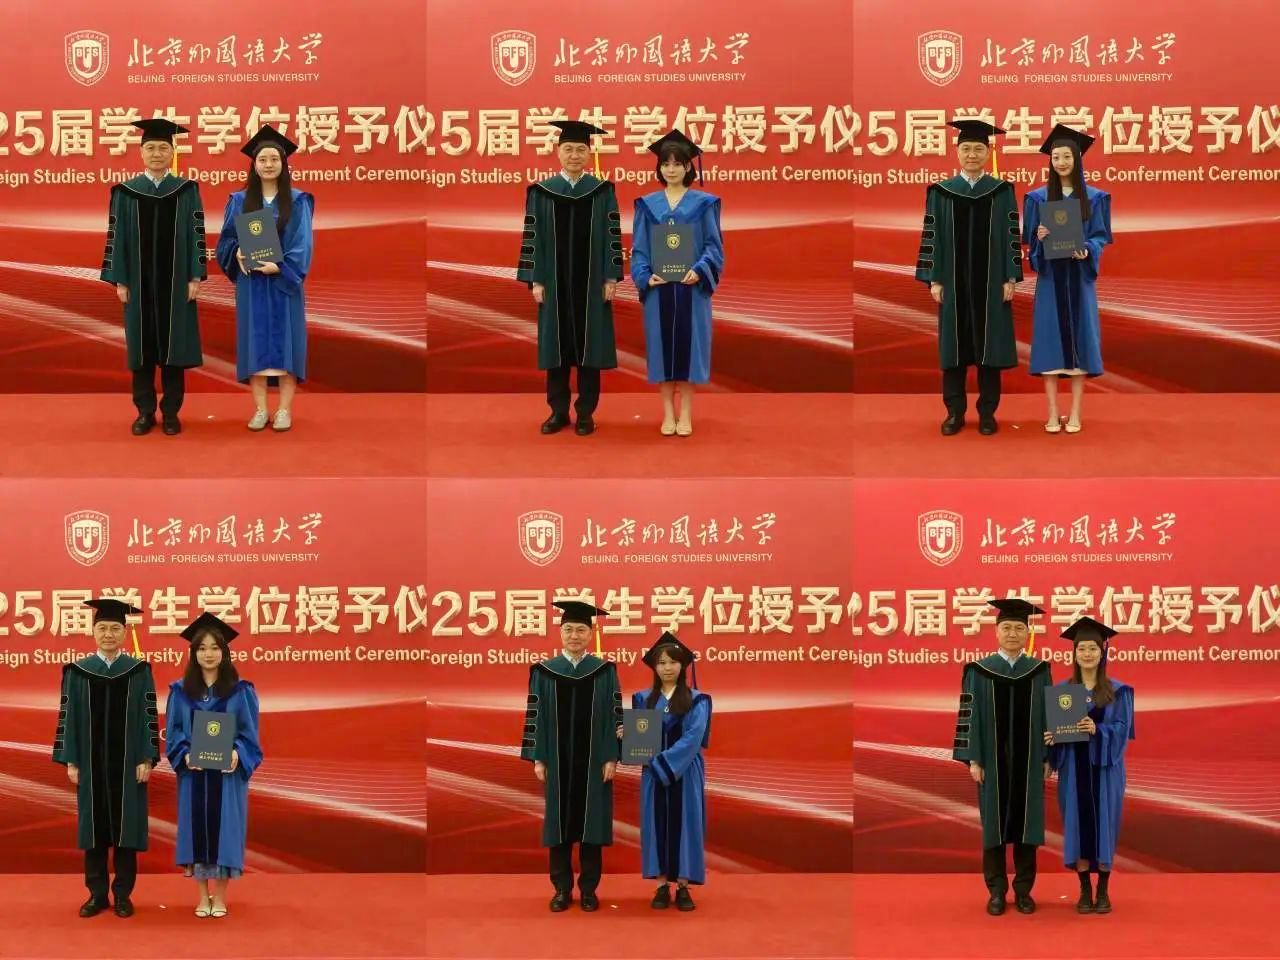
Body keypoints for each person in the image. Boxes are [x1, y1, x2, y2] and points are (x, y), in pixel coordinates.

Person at [52, 599, 160, 918]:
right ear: (93, 631)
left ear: (124, 633)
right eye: (102, 628)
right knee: (94, 832)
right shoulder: (77, 672)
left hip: (128, 766)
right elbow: (68, 716)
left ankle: (123, 895)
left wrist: (147, 758)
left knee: (126, 831)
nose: (109, 634)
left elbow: (148, 715)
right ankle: (97, 894)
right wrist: (71, 761)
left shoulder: (139, 671)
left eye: (115, 628)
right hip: (90, 765)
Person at [516, 119, 624, 437]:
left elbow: (612, 235)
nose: (574, 155)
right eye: (568, 149)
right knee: (556, 348)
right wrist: (536, 280)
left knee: (590, 349)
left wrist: (611, 277)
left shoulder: (602, 191)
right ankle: (558, 411)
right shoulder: (541, 192)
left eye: (580, 149)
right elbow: (532, 236)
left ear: (589, 154)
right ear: (557, 152)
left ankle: (586, 413)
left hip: (592, 285)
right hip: (553, 283)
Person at [915, 120, 1023, 437]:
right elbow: (931, 236)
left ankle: (987, 413)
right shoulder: (941, 192)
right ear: (957, 152)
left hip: (991, 283)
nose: (972, 154)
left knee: (990, 350)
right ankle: (954, 413)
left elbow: (1011, 236)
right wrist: (935, 279)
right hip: (953, 283)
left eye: (978, 149)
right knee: (954, 351)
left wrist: (1010, 277)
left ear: (988, 153)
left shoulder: (1001, 192)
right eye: (966, 148)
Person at [100, 118, 207, 436]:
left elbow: (197, 234)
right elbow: (116, 236)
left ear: (173, 153)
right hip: (138, 283)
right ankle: (144, 412)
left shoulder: (187, 191)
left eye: (163, 148)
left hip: (176, 283)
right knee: (142, 349)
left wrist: (195, 276)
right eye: (151, 148)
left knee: (174, 348)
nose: (157, 153)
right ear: (141, 152)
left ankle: (171, 412)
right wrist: (120, 279)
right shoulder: (126, 192)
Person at [520, 601, 623, 911]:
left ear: (590, 634)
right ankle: (561, 890)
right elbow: (535, 715)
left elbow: (614, 715)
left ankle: (589, 890)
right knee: (559, 828)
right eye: (569, 629)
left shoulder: (605, 671)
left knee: (592, 827)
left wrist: (611, 757)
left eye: (581, 630)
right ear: (560, 633)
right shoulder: (544, 672)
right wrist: (538, 758)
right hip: (557, 761)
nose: (574, 635)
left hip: (594, 763)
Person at [952, 598, 1052, 915]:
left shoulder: (1039, 671)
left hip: (1028, 763)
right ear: (996, 632)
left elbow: (1049, 717)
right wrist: (974, 759)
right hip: (991, 764)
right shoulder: (978, 671)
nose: (1012, 633)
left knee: (1027, 826)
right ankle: (996, 892)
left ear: (1027, 633)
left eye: (1019, 628)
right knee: (993, 828)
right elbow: (968, 715)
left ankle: (1023, 891)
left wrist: (1048, 757)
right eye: (1006, 627)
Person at [215, 125, 315, 432]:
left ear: (284, 164)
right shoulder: (239, 200)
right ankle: (260, 409)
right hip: (253, 285)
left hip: (284, 285)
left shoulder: (298, 201)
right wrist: (237, 252)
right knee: (254, 345)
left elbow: (302, 243)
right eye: (263, 159)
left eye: (274, 159)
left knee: (287, 346)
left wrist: (281, 267)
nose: (269, 164)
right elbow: (226, 240)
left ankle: (284, 410)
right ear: (254, 165)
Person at [164, 612, 263, 919]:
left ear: (224, 652)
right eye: (202, 648)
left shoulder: (240, 691)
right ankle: (201, 896)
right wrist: (184, 754)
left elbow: (250, 735)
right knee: (196, 831)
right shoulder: (180, 692)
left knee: (225, 833)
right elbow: (174, 732)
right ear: (193, 653)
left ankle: (219, 896)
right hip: (194, 776)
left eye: (215, 647)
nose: (208, 654)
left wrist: (236, 754)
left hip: (227, 777)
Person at [630, 129, 725, 437]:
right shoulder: (647, 205)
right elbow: (640, 248)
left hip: (691, 289)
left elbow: (713, 246)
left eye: (677, 163)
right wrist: (645, 275)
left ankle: (685, 414)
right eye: (665, 163)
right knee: (662, 353)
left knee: (689, 352)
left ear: (688, 167)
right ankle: (667, 414)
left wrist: (700, 270)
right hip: (659, 290)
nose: (671, 169)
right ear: (659, 167)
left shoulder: (704, 204)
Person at [1023, 125, 1114, 434]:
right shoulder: (1037, 198)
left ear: (1077, 159)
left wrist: (1087, 249)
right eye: (1056, 157)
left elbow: (1100, 237)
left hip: (1079, 280)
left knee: (1081, 344)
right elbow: (1031, 244)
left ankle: (1075, 413)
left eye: (1066, 156)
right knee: (1049, 344)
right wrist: (1039, 237)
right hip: (1051, 281)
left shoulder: (1095, 198)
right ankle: (1052, 413)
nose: (1061, 162)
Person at [1045, 616, 1134, 914]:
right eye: (1081, 648)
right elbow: (1057, 734)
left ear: (1102, 652)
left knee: (1105, 825)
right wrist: (1052, 739)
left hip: (1106, 771)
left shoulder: (1118, 692)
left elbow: (1123, 731)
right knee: (1076, 825)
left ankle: (1103, 890)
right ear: (1074, 653)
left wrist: (1099, 730)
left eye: (1092, 648)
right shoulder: (1062, 692)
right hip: (1073, 770)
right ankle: (1084, 889)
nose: (1086, 653)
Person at [632, 632, 711, 911]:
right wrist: (626, 736)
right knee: (655, 826)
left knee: (686, 825)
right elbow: (639, 742)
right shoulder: (643, 699)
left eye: (673, 662)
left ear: (683, 665)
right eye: (662, 662)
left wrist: (662, 764)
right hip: (653, 776)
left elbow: (693, 738)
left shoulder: (698, 700)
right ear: (654, 667)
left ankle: (684, 886)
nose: (667, 668)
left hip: (684, 772)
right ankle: (661, 885)